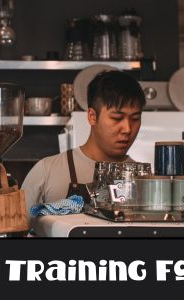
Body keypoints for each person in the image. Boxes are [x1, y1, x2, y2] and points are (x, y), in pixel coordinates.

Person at [22, 71, 145, 218]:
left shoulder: (145, 181)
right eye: (117, 118)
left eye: (135, 119)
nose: (127, 129)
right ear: (92, 117)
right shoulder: (46, 171)